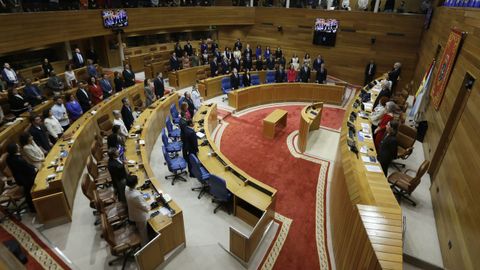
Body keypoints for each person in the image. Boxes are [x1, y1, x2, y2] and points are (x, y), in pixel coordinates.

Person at [6, 143, 37, 212]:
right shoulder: (18, 159)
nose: (19, 146)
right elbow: (27, 168)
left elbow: (27, 166)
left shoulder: (9, 158)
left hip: (20, 178)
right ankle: (34, 207)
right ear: (15, 149)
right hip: (26, 179)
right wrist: (35, 169)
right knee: (36, 181)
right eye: (17, 146)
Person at [124, 174, 150, 246]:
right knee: (143, 231)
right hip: (140, 216)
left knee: (139, 227)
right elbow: (144, 207)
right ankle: (145, 245)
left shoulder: (126, 188)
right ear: (135, 183)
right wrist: (149, 207)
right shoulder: (136, 196)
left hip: (133, 212)